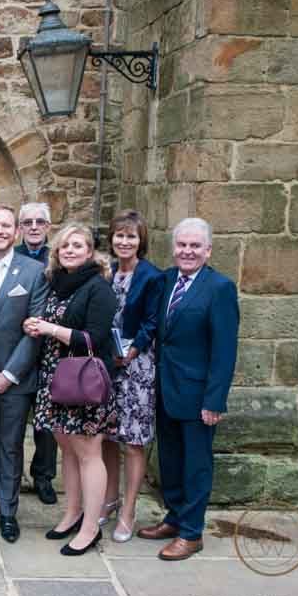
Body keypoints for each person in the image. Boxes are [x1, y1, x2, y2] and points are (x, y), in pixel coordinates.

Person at [137, 217, 239, 561]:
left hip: (198, 397)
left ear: (208, 250)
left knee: (196, 464)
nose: (187, 251)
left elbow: (224, 351)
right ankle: (175, 518)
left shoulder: (220, 288)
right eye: (182, 245)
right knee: (170, 461)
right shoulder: (166, 280)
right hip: (165, 391)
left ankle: (192, 533)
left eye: (195, 246)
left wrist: (214, 400)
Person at [24, 223, 117, 556]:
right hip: (55, 377)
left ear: (90, 252)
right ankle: (72, 513)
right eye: (65, 246)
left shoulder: (99, 288)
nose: (70, 250)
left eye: (78, 245)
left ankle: (91, 527)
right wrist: (35, 327)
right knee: (68, 450)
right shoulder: (56, 285)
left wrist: (50, 328)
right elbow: (50, 323)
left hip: (84, 381)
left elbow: (94, 338)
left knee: (89, 454)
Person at [0, 205, 48, 544]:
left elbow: (35, 329)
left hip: (16, 378)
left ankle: (8, 512)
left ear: (15, 232)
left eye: (5, 225)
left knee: (11, 445)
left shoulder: (34, 272)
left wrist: (9, 373)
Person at [102, 210, 163, 543]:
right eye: (119, 235)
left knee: (134, 442)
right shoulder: (108, 272)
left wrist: (134, 350)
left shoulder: (152, 276)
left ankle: (128, 511)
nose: (124, 242)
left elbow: (153, 322)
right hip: (109, 364)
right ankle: (109, 500)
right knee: (108, 437)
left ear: (141, 241)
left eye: (131, 236)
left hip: (137, 367)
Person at [16, 202, 57, 505]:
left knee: (46, 422)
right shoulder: (11, 257)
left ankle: (43, 476)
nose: (33, 227)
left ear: (48, 226)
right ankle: (12, 475)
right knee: (14, 421)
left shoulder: (59, 258)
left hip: (51, 351)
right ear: (19, 228)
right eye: (27, 222)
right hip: (17, 349)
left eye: (39, 222)